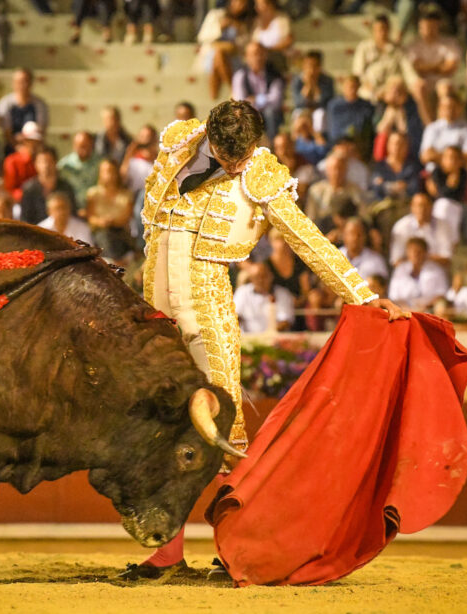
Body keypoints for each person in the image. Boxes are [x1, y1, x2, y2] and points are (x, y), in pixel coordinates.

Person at [126, 100, 407, 580]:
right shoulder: (177, 143)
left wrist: (362, 295)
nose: (235, 165)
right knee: (157, 433)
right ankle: (167, 554)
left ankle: (240, 549)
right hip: (155, 318)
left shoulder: (260, 174)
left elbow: (306, 237)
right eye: (225, 154)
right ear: (209, 137)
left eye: (242, 155)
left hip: (207, 313)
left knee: (223, 437)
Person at [352, 14, 430, 124]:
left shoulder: (397, 49)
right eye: (379, 29)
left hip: (391, 90)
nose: (382, 32)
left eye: (384, 29)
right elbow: (358, 74)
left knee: (403, 92)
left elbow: (408, 71)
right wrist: (373, 90)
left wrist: (417, 82)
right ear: (373, 31)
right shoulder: (364, 47)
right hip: (369, 90)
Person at [406, 5, 461, 116]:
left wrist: (427, 67)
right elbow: (417, 68)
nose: (429, 30)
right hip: (423, 81)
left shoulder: (450, 43)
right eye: (426, 26)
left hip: (442, 80)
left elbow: (450, 68)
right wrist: (438, 66)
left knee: (444, 88)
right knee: (419, 87)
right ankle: (429, 127)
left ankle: (444, 122)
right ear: (420, 27)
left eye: (432, 26)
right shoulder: (413, 45)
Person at [195, 0, 252, 100]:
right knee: (218, 54)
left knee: (219, 56)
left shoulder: (246, 22)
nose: (240, 6)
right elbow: (202, 37)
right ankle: (233, 89)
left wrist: (239, 30)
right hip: (211, 56)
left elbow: (244, 44)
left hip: (234, 58)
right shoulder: (215, 15)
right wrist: (220, 27)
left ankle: (214, 94)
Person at [231, 41, 285, 140]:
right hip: (249, 114)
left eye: (261, 54)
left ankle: (272, 147)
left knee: (271, 112)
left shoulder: (275, 76)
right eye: (254, 54)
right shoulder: (240, 76)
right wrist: (259, 103)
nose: (258, 57)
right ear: (246, 57)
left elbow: (276, 101)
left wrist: (256, 100)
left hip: (268, 115)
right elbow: (240, 101)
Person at [86, 159, 134, 260]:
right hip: (100, 233)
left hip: (120, 233)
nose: (108, 174)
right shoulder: (93, 194)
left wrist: (112, 222)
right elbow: (90, 217)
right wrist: (101, 222)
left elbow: (126, 217)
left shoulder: (126, 195)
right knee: (104, 236)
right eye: (105, 171)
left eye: (111, 171)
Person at [390, 191, 454, 266]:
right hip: (407, 272)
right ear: (412, 207)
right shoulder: (401, 226)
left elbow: (447, 259)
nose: (422, 209)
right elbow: (396, 260)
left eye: (425, 206)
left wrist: (420, 258)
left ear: (432, 207)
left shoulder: (443, 225)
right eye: (419, 206)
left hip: (435, 271)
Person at [371, 76, 425, 162]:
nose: (395, 95)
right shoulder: (382, 105)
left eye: (399, 92)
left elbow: (407, 129)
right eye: (393, 91)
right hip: (387, 141)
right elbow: (378, 128)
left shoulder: (409, 106)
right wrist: (390, 111)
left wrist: (400, 110)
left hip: (405, 142)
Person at [0, 68, 49, 155]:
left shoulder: (40, 104)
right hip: (13, 146)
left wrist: (29, 143)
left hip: (34, 146)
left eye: (26, 81)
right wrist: (18, 147)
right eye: (19, 82)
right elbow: (7, 133)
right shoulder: (5, 103)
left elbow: (41, 130)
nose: (23, 85)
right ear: (13, 83)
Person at [388, 236, 449, 310]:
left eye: (419, 251)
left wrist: (427, 307)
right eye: (412, 251)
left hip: (430, 310)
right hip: (403, 310)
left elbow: (442, 293)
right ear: (407, 252)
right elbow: (394, 296)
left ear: (425, 253)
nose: (415, 254)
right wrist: (408, 309)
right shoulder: (400, 270)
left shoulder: (437, 270)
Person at [234, 260, 296, 333]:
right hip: (247, 338)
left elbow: (285, 321)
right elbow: (234, 316)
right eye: (256, 277)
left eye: (264, 276)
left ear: (271, 276)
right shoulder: (242, 292)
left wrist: (269, 334)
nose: (260, 280)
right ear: (251, 279)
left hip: (275, 339)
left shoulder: (283, 294)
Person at [20, 147, 76, 225]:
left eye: (49, 161)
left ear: (55, 162)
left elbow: (72, 214)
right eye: (42, 162)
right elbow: (25, 218)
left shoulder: (66, 187)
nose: (46, 165)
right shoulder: (29, 188)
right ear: (35, 164)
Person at [326, 75, 374, 162]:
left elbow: (365, 130)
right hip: (339, 146)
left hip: (357, 148)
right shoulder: (334, 106)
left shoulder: (366, 106)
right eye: (349, 87)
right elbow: (333, 130)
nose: (352, 90)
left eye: (355, 87)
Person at [419, 93, 467, 166]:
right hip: (434, 173)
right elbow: (425, 156)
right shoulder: (432, 128)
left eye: (452, 107)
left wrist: (439, 157)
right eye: (445, 107)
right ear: (439, 108)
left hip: (459, 173)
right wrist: (451, 159)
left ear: (460, 108)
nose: (449, 110)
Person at [306, 154, 364, 224]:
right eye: (334, 169)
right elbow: (311, 218)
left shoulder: (355, 189)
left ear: (346, 170)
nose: (337, 172)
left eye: (340, 168)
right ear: (327, 171)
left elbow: (362, 215)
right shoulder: (315, 190)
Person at [58, 130, 101, 214]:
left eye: (86, 146)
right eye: (80, 146)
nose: (83, 149)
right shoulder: (64, 165)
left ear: (92, 146)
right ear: (74, 146)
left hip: (95, 210)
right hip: (71, 211)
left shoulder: (100, 164)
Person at [291, 51, 335, 131]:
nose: (311, 69)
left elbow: (325, 101)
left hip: (320, 109)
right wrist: (307, 86)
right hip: (303, 109)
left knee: (320, 115)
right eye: (309, 65)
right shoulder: (297, 80)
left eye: (315, 66)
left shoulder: (327, 80)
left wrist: (314, 85)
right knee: (297, 115)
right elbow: (298, 102)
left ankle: (320, 139)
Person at [3, 120, 42, 203]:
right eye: (31, 141)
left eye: (37, 142)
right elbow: (10, 190)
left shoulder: (42, 161)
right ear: (24, 141)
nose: (34, 145)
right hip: (20, 203)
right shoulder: (12, 161)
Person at [272, 132, 316, 204]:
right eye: (279, 148)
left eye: (286, 147)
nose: (284, 152)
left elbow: (299, 193)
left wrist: (289, 171)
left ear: (292, 146)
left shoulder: (306, 167)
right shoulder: (272, 169)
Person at [251, 0, 292, 73]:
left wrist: (269, 50)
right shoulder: (256, 22)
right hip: (261, 62)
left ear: (269, 5)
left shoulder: (282, 19)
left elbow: (288, 41)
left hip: (278, 60)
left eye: (259, 4)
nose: (256, 7)